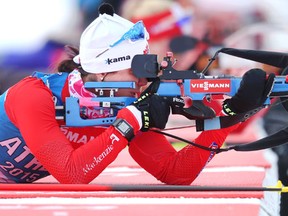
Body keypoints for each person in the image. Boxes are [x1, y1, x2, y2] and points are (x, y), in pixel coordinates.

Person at [0, 3, 273, 184]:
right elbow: (72, 174)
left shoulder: (125, 103)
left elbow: (174, 172)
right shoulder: (34, 96)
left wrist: (229, 116)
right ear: (104, 72)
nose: (144, 79)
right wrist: (129, 122)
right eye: (136, 69)